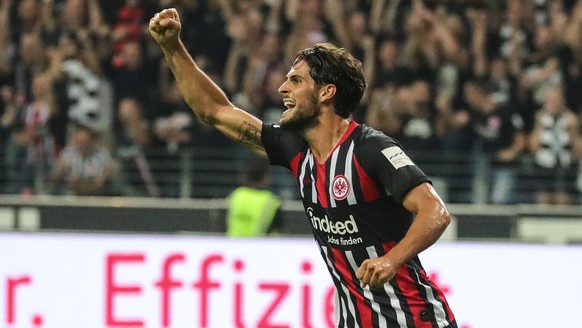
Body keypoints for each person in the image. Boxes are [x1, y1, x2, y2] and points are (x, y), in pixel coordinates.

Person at [149, 8, 456, 327]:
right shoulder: (294, 148)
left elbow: (435, 211)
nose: (283, 89)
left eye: (295, 80)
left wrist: (391, 260)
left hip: (413, 319)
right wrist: (172, 48)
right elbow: (214, 111)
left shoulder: (371, 148)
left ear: (326, 92)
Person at [226, 159, 284, 237]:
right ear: (264, 178)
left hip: (232, 246)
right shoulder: (271, 200)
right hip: (258, 247)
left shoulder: (236, 194)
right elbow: (278, 230)